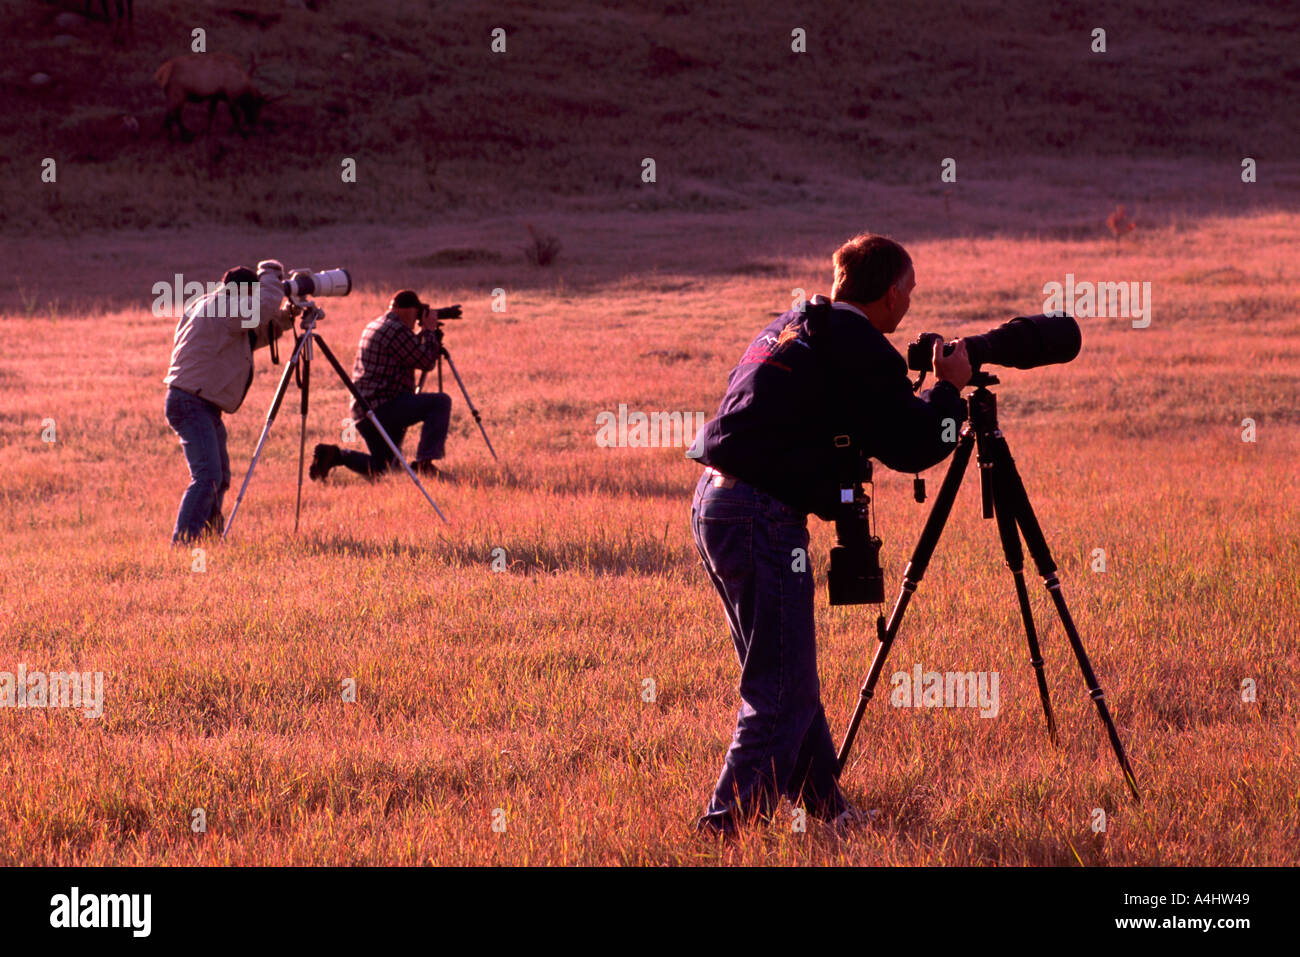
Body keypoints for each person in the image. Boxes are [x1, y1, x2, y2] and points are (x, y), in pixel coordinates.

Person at [685, 233, 973, 835]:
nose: (912, 302)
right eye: (912, 290)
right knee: (783, 685)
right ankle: (724, 831)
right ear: (892, 293)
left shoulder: (792, 326)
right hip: (760, 513)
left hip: (717, 504)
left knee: (788, 671)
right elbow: (915, 445)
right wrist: (949, 391)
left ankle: (827, 811)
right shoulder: (858, 343)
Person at [163, 261, 295, 544]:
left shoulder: (211, 304)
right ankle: (184, 544)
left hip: (196, 400)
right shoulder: (224, 306)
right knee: (208, 475)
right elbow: (257, 314)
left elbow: (249, 334)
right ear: (245, 295)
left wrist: (285, 317)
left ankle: (209, 540)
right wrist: (272, 277)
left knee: (219, 475)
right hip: (192, 402)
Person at [309, 290, 461, 481]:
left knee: (384, 467)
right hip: (384, 407)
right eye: (416, 313)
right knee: (440, 402)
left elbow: (410, 349)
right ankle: (425, 463)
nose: (416, 321)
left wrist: (425, 331)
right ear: (403, 310)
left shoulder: (379, 324)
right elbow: (426, 361)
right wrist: (430, 332)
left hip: (365, 412)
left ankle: (335, 456)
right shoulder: (396, 330)